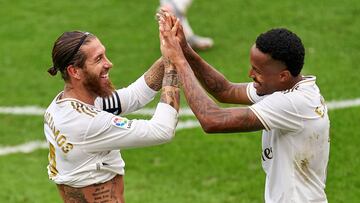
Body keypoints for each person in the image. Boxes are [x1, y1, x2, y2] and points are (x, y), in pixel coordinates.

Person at [157, 10, 330, 203]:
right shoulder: (283, 87)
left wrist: (179, 61)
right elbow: (225, 90)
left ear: (283, 76)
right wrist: (186, 50)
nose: (250, 73)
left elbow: (212, 120)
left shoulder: (293, 103)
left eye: (257, 70)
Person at [44, 31, 180, 202]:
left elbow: (134, 95)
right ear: (75, 71)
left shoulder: (63, 106)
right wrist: (173, 70)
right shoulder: (86, 123)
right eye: (98, 59)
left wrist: (170, 53)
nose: (109, 63)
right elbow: (162, 131)